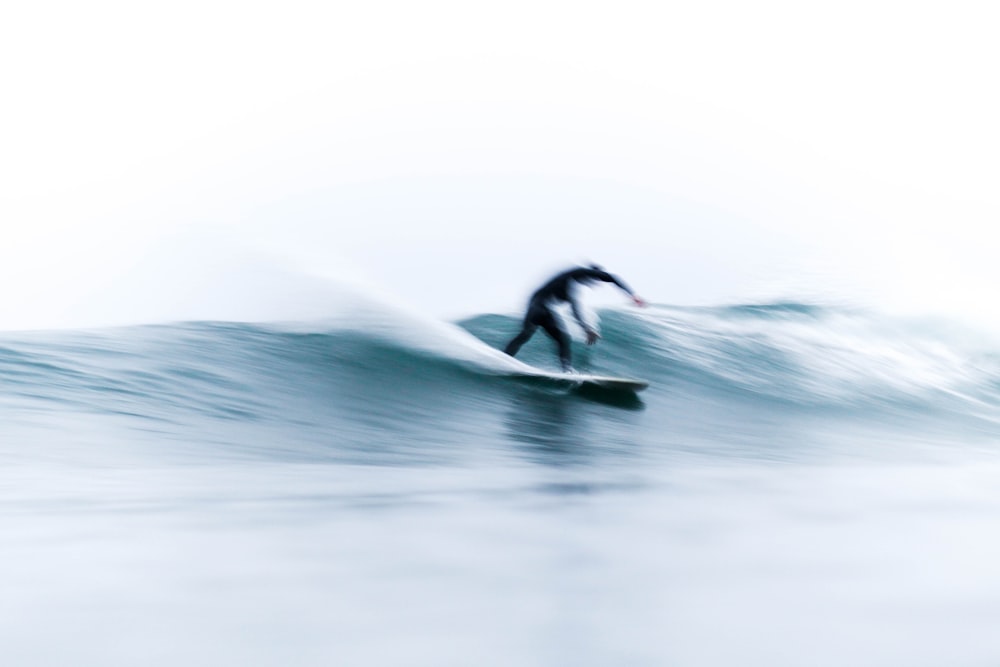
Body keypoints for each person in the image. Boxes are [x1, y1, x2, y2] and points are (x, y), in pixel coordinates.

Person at [503, 264, 646, 372]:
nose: (593, 282)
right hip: (539, 307)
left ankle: (505, 360)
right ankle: (567, 370)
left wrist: (586, 328)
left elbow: (574, 309)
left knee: (533, 336)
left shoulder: (570, 286)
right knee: (556, 338)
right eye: (594, 278)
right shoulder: (577, 273)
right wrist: (632, 294)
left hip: (537, 308)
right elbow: (611, 277)